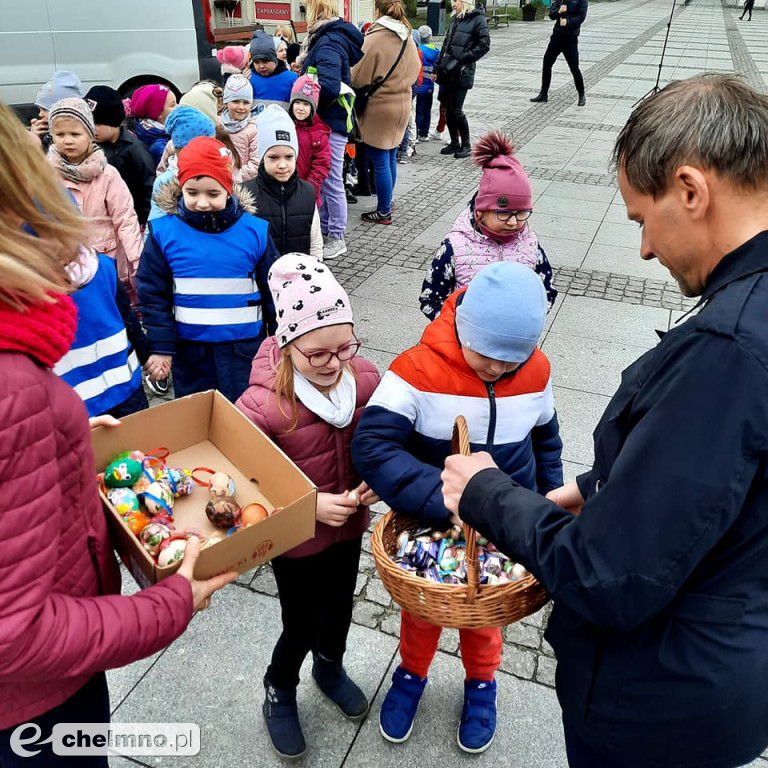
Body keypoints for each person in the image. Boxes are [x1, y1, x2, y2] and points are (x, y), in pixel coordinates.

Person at [440, 74, 768, 768]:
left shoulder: (729, 351)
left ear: (690, 190)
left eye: (640, 220)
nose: (646, 249)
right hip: (727, 667)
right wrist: (601, 487)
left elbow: (607, 575)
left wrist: (487, 493)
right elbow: (729, 476)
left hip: (659, 702)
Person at [0, 99, 235, 768]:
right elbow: (15, 634)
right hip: (36, 706)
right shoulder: (11, 390)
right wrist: (174, 600)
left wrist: (65, 432)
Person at [352, 262, 562, 754]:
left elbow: (546, 440)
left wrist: (548, 501)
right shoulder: (416, 370)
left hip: (503, 523)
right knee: (424, 612)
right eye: (486, 355)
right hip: (434, 521)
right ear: (464, 329)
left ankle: (483, 683)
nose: (497, 369)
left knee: (484, 616)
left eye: (512, 360)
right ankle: (411, 673)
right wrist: (441, 496)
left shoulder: (537, 371)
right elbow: (373, 446)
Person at [236, 254, 380, 760]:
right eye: (318, 354)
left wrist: (376, 482)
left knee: (340, 606)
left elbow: (383, 444)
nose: (334, 363)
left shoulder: (363, 379)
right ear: (287, 344)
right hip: (296, 539)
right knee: (300, 619)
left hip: (349, 528)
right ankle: (279, 685)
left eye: (344, 348)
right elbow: (241, 480)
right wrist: (309, 504)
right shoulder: (261, 405)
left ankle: (329, 664)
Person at [137, 136, 278, 403]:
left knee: (249, 415)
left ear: (228, 188)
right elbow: (153, 296)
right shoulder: (164, 233)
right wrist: (161, 347)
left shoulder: (255, 232)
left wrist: (282, 342)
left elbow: (275, 292)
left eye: (213, 193)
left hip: (246, 350)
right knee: (197, 420)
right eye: (192, 193)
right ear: (181, 188)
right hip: (191, 354)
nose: (202, 202)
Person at [420, 131, 556, 320]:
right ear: (480, 211)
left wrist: (528, 322)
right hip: (462, 344)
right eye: (504, 213)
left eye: (522, 213)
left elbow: (547, 290)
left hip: (515, 343)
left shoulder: (530, 244)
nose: (514, 221)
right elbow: (430, 298)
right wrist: (456, 330)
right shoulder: (455, 246)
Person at [47, 97, 143, 305]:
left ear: (90, 135)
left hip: (106, 263)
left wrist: (137, 259)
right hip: (64, 267)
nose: (67, 140)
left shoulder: (107, 174)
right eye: (60, 134)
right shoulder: (46, 175)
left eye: (75, 134)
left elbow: (125, 218)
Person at [300, 0, 365, 259]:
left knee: (331, 180)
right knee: (328, 179)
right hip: (331, 120)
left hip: (329, 120)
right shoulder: (330, 38)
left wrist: (307, 103)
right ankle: (328, 230)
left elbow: (326, 84)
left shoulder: (327, 41)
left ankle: (337, 236)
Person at [54, 245, 149, 418]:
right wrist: (146, 356)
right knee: (140, 440)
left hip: (80, 401)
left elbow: (128, 318)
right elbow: (128, 318)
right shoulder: (103, 267)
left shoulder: (23, 296)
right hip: (124, 387)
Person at [351, 0, 421, 224]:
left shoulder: (375, 36)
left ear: (377, 10)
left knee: (380, 159)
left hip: (380, 107)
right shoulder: (407, 34)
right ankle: (387, 201)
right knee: (390, 155)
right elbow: (416, 68)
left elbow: (358, 75)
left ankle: (383, 211)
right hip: (402, 102)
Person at [244, 105, 323, 260]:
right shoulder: (245, 194)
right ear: (262, 159)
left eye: (288, 157)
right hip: (261, 281)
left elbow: (315, 243)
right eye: (273, 157)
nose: (282, 165)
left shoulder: (307, 192)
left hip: (299, 278)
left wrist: (316, 267)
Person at [86, 85, 156, 228]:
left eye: (97, 123)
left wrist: (144, 222)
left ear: (114, 122)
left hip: (130, 221)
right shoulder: (90, 145)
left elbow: (149, 188)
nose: (91, 128)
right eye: (87, 122)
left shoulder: (134, 150)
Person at [433, 0, 490, 159]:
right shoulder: (456, 18)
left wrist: (465, 58)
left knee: (456, 110)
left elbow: (484, 45)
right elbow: (446, 45)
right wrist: (438, 67)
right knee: (448, 109)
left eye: (456, 0)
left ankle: (466, 144)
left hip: (463, 71)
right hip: (449, 70)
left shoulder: (478, 19)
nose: (453, 3)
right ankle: (454, 142)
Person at [147, 105, 217, 224]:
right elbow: (155, 225)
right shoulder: (165, 182)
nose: (215, 149)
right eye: (209, 145)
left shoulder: (218, 171)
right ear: (188, 149)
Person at [530, 0, 587, 106]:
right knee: (547, 63)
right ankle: (543, 94)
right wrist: (559, 12)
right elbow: (551, 14)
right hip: (557, 37)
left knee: (574, 67)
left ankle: (581, 94)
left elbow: (581, 17)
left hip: (570, 38)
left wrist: (568, 22)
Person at [289, 75, 332, 206]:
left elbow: (322, 164)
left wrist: (310, 186)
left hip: (308, 191)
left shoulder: (319, 133)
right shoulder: (287, 126)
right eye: (297, 103)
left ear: (313, 107)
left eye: (306, 104)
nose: (300, 108)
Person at [30, 70, 83, 152]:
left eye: (45, 109)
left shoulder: (77, 136)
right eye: (40, 109)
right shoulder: (46, 132)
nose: (40, 114)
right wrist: (34, 138)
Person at [125, 83, 177, 166]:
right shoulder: (160, 147)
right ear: (158, 113)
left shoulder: (146, 130)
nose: (178, 107)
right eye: (173, 105)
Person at [221, 74, 259, 182]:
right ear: (226, 102)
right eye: (236, 101)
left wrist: (232, 178)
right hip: (219, 181)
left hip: (244, 184)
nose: (241, 107)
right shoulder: (218, 125)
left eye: (246, 102)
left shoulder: (253, 130)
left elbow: (255, 164)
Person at [249, 30, 298, 109]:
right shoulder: (248, 78)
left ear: (274, 59)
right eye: (256, 62)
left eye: (265, 61)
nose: (261, 66)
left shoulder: (292, 79)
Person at [416, 25, 440, 141]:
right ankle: (424, 133)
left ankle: (416, 132)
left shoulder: (418, 49)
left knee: (418, 110)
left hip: (419, 86)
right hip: (430, 86)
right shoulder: (435, 50)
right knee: (427, 110)